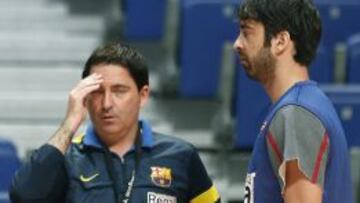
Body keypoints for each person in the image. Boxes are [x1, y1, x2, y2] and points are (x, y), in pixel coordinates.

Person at [10, 43, 221, 203]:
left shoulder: (180, 155)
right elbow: (24, 196)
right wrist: (69, 124)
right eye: (97, 92)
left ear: (143, 95)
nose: (107, 103)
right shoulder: (65, 159)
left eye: (119, 91)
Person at [233, 0, 353, 202]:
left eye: (247, 32)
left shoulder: (296, 113)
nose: (237, 43)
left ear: (280, 41)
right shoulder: (305, 103)